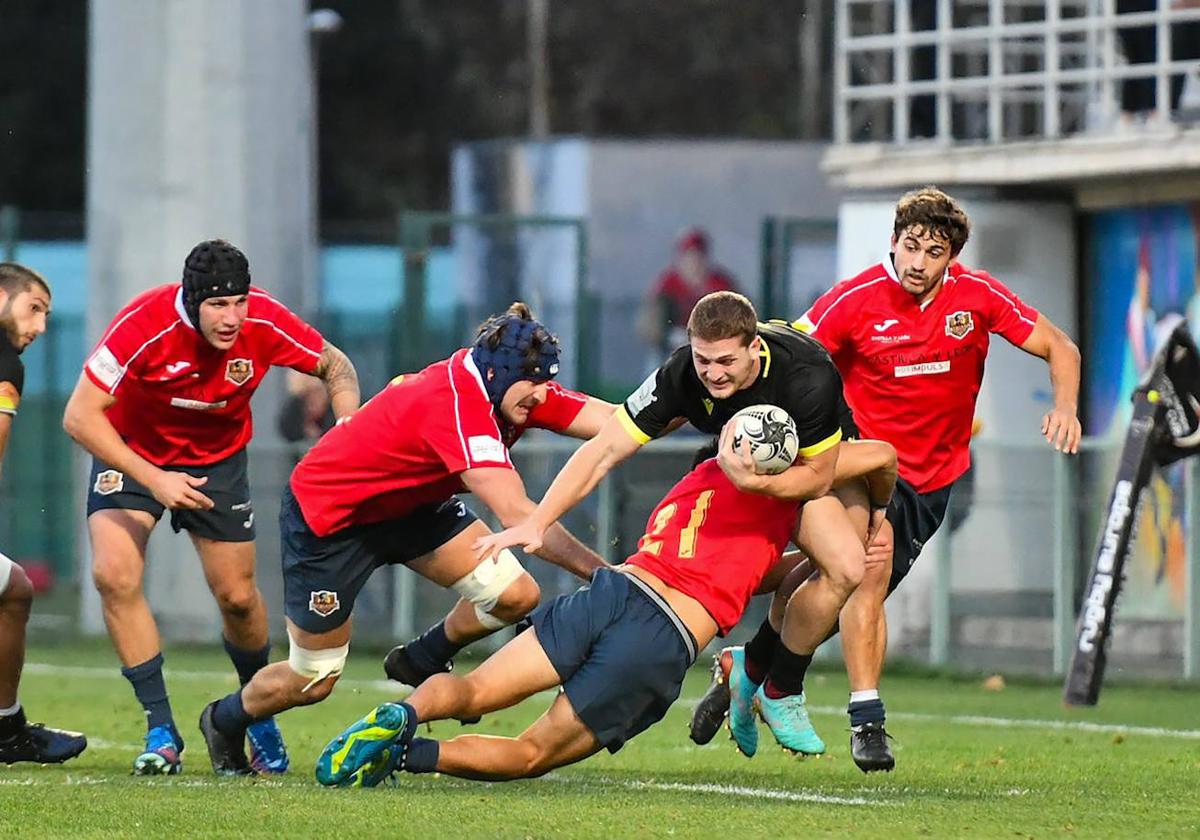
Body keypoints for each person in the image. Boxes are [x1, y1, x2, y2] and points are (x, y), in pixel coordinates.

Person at [690, 186, 1082, 772]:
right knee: (863, 574)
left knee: (830, 584)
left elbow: (1059, 346)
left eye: (934, 251)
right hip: (860, 464)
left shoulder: (979, 297)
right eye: (910, 246)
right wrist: (735, 420)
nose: (918, 262)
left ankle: (747, 666)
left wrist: (1066, 408)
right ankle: (863, 720)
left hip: (934, 478)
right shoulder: (854, 300)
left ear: (952, 257)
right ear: (893, 243)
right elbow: (790, 356)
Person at [312, 434, 897, 788]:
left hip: (613, 592)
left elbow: (747, 571)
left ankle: (404, 713)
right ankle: (409, 755)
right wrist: (870, 512)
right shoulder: (775, 494)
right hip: (659, 638)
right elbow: (877, 457)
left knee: (474, 691)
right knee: (530, 753)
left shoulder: (691, 489)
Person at [196, 303, 614, 776]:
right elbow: (523, 519)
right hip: (332, 520)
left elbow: (620, 422)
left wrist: (691, 399)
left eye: (546, 382)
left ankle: (424, 656)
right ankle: (224, 719)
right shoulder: (460, 405)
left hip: (411, 509)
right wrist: (604, 575)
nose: (542, 396)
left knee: (515, 595)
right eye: (533, 383)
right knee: (313, 679)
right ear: (497, 372)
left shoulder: (510, 384)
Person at [474, 291, 890, 759]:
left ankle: (764, 677)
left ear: (754, 347)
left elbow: (818, 478)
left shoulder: (806, 373)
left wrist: (759, 483)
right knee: (840, 566)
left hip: (817, 463)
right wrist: (538, 521)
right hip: (743, 470)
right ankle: (777, 689)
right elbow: (605, 447)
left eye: (725, 360)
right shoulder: (681, 374)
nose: (712, 372)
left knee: (854, 565)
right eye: (703, 358)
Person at [61, 240, 360, 776]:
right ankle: (160, 729)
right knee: (113, 575)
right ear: (191, 298)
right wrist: (154, 480)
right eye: (218, 305)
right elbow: (80, 416)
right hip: (132, 456)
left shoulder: (263, 321)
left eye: (240, 302)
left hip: (217, 464)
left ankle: (256, 711)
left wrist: (346, 429)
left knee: (239, 598)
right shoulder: (142, 323)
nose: (232, 317)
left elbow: (334, 365)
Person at [0, 263, 88, 766]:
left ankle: (7, 728)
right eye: (35, 309)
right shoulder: (5, 363)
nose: (40, 327)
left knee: (14, 588)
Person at [637, 227, 737, 361]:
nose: (694, 261)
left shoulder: (720, 283)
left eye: (698, 256)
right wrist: (669, 336)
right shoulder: (668, 283)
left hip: (711, 345)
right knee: (656, 362)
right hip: (671, 347)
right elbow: (649, 324)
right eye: (689, 256)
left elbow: (737, 317)